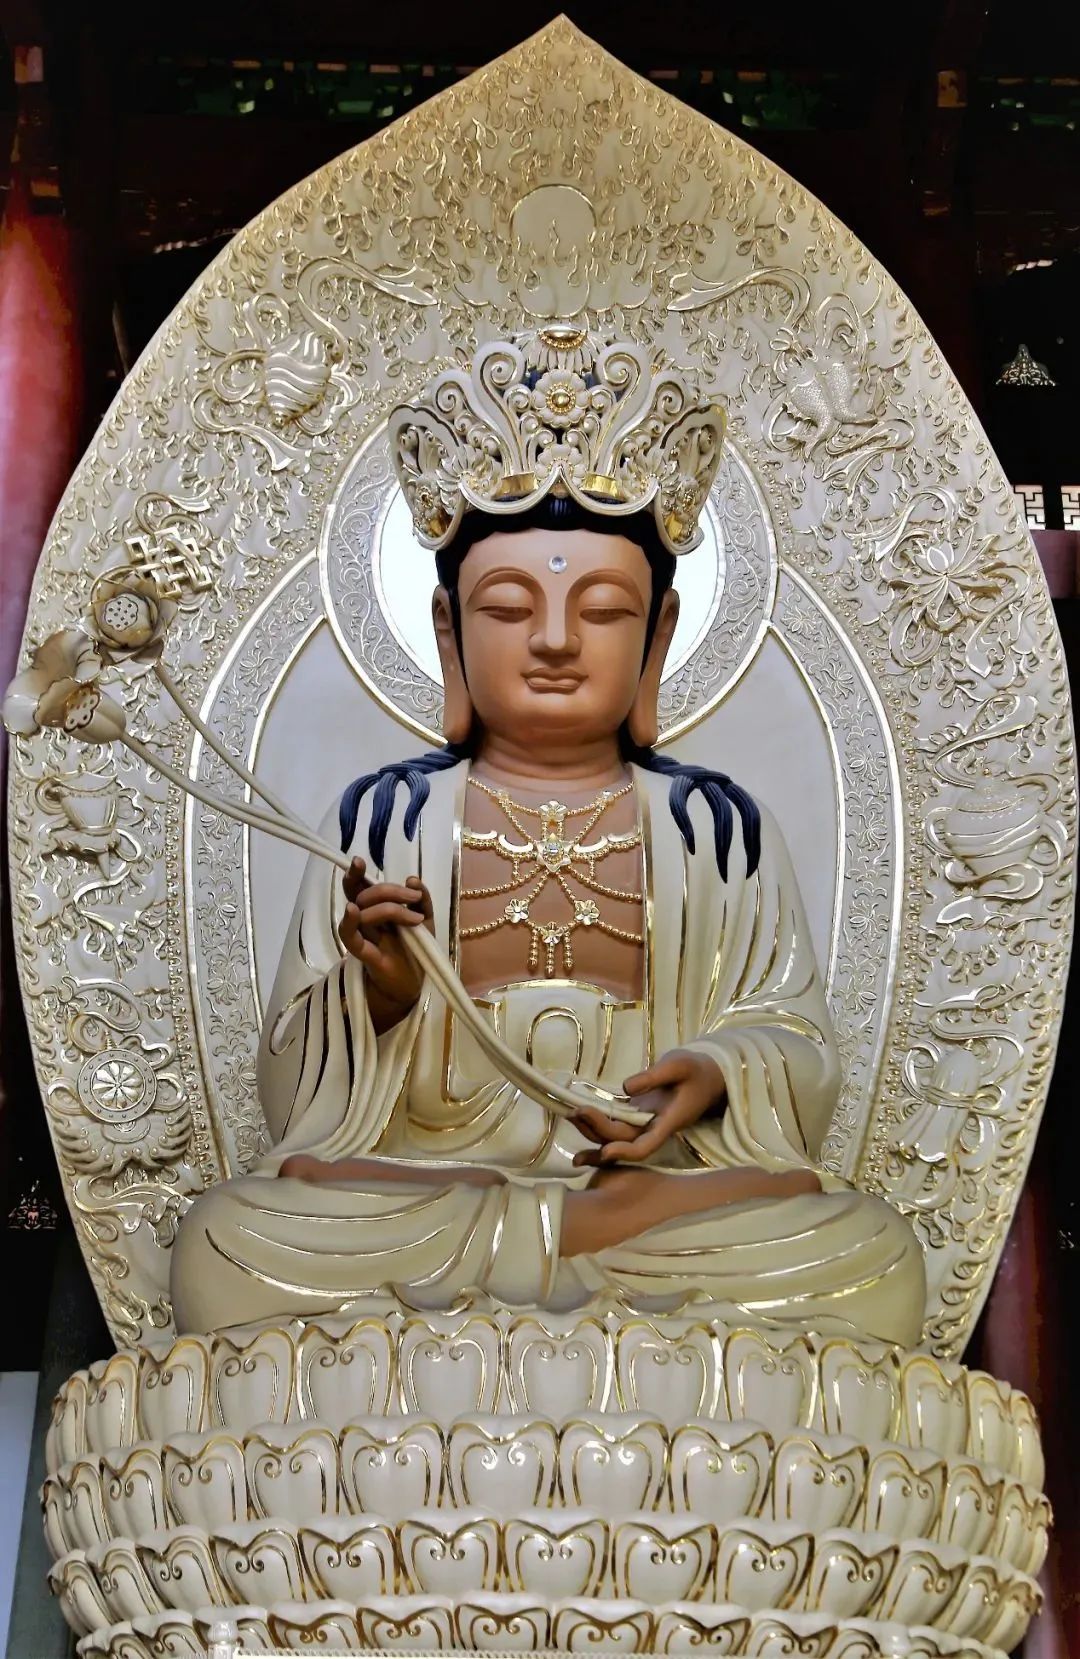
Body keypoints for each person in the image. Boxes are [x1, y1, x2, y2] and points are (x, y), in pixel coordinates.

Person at [171, 332, 924, 1343]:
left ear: (658, 635)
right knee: (227, 1241)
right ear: (450, 632)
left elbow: (792, 1040)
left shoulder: (717, 831)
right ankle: (570, 1252)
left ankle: (570, 1248)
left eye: (603, 610)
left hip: (652, 1205)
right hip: (435, 1199)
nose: (558, 640)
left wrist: (715, 1072)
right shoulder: (381, 824)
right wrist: (378, 1001)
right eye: (509, 607)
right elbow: (292, 1095)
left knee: (870, 1252)